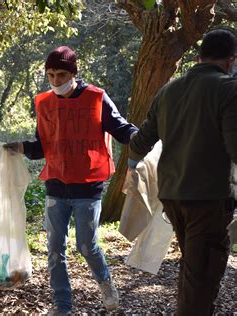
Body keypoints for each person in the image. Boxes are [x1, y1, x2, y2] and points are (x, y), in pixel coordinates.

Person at [4, 46, 138, 314]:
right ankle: (62, 307)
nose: (56, 81)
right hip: (56, 185)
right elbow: (43, 146)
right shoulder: (44, 102)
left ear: (74, 73)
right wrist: (20, 147)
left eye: (62, 74)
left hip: (88, 187)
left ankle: (106, 285)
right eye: (51, 75)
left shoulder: (96, 98)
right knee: (54, 249)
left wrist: (144, 138)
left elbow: (122, 128)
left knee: (87, 246)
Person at [128, 29, 237, 315]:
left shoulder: (168, 91)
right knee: (202, 279)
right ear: (230, 60)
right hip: (208, 199)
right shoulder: (228, 90)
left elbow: (140, 141)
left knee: (194, 268)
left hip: (172, 196)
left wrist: (131, 167)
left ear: (199, 58)